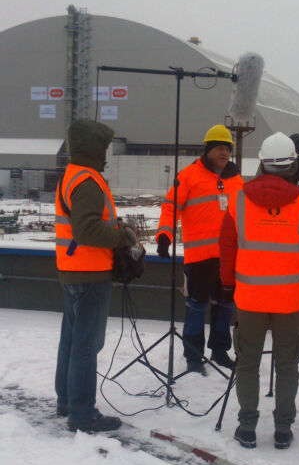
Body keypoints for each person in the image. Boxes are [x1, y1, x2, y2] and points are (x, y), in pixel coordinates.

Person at [219, 132, 299, 449]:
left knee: (247, 363)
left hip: (249, 299)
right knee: (287, 364)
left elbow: (227, 248)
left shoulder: (238, 201)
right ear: (295, 166)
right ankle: (283, 429)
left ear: (262, 165)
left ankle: (247, 427)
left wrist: (227, 284)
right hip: (291, 301)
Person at [55, 119, 137, 433]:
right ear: (93, 148)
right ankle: (82, 413)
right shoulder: (88, 181)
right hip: (89, 274)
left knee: (72, 342)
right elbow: (86, 228)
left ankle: (67, 401)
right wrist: (122, 235)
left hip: (73, 270)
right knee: (86, 347)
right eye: (104, 147)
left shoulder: (72, 176)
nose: (107, 153)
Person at [155, 124, 243, 374]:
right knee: (196, 306)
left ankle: (219, 351)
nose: (224, 153)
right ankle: (193, 355)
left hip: (229, 259)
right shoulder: (189, 176)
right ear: (208, 150)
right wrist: (164, 235)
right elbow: (171, 206)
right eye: (219, 148)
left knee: (226, 306)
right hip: (200, 258)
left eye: (227, 149)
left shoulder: (237, 181)